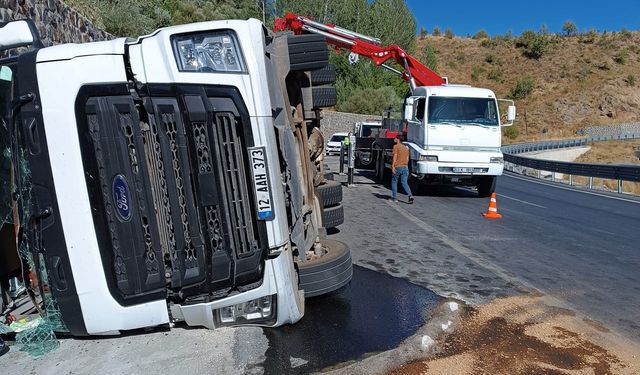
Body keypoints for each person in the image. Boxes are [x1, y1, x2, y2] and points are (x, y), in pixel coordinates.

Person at [391, 134, 413, 204]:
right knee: (404, 182)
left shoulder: (396, 146)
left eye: (395, 138)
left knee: (394, 181)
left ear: (398, 139)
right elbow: (407, 159)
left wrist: (393, 166)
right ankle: (410, 195)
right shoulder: (406, 148)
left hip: (398, 166)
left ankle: (395, 198)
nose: (394, 139)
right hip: (405, 167)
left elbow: (395, 156)